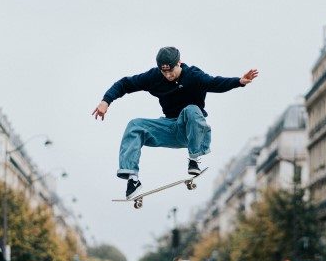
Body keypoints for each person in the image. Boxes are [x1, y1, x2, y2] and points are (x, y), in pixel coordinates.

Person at [92, 46, 258, 198]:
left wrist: (239, 81)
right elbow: (125, 84)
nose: (168, 75)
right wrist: (106, 101)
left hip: (194, 132)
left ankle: (194, 159)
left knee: (191, 110)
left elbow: (215, 83)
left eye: (171, 71)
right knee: (135, 125)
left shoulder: (193, 75)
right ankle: (132, 178)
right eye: (164, 72)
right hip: (170, 128)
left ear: (179, 62)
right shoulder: (154, 77)